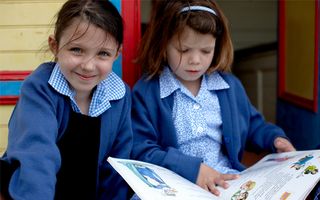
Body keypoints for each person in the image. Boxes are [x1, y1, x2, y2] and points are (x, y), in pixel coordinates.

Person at [131, 0, 295, 197]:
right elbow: (141, 149)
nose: (195, 60)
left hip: (225, 180)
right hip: (173, 185)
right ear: (163, 45)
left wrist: (274, 138)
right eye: (184, 50)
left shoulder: (228, 87)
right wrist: (194, 169)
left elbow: (252, 125)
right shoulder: (148, 92)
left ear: (216, 47)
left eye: (206, 51)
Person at [0, 0, 133, 199]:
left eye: (103, 53)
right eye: (77, 50)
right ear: (55, 46)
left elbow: (117, 168)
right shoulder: (40, 88)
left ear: (116, 54)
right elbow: (37, 158)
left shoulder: (119, 95)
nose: (88, 66)